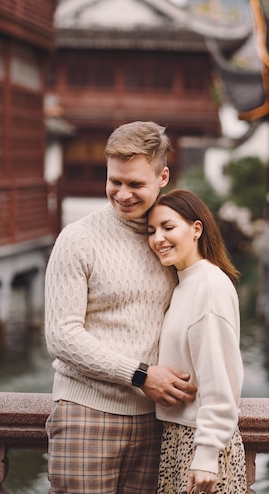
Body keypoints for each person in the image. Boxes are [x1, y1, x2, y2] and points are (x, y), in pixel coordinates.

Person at [44, 121, 197, 494]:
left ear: (163, 176)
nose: (123, 194)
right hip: (85, 416)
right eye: (115, 181)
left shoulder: (168, 242)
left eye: (136, 184)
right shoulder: (78, 239)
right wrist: (142, 375)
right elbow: (61, 336)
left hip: (155, 420)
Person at [147, 189, 247, 494]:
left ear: (196, 228)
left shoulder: (210, 285)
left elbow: (220, 376)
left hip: (200, 445)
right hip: (179, 438)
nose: (158, 239)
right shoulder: (183, 283)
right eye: (151, 231)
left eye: (168, 227)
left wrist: (206, 454)